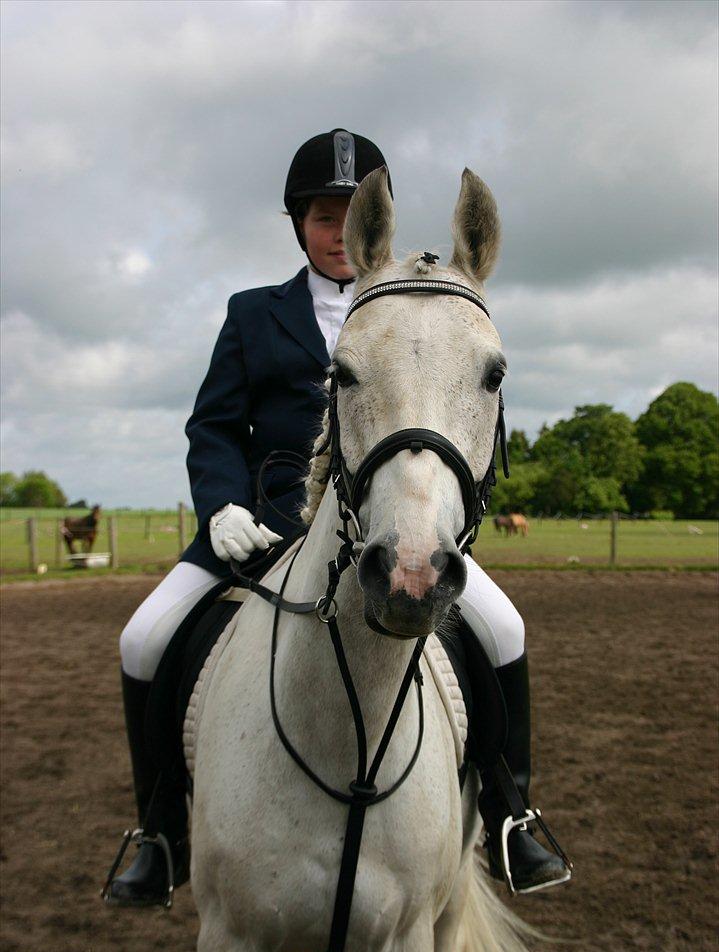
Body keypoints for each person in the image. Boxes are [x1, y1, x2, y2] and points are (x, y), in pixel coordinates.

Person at [106, 129, 569, 907]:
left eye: (345, 216)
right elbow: (212, 427)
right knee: (144, 635)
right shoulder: (254, 315)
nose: (334, 232)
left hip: (384, 525)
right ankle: (159, 832)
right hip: (253, 528)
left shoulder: (412, 314)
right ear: (302, 226)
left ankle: (508, 813)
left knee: (505, 630)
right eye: (323, 217)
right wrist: (220, 505)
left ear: (372, 226)